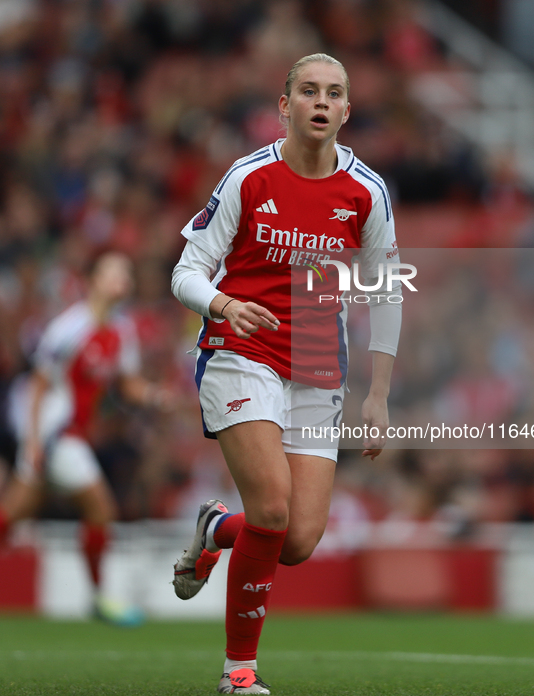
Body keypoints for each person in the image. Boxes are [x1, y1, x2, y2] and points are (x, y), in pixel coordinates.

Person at [171, 53, 402, 694]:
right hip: (241, 350)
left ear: (347, 111)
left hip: (318, 367)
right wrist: (222, 302)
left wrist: (379, 395)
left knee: (295, 539)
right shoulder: (249, 178)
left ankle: (217, 529)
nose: (320, 102)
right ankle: (238, 671)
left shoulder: (367, 193)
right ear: (285, 105)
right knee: (271, 507)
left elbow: (385, 294)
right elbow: (184, 271)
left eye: (333, 93)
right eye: (307, 91)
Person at [0, 251, 171, 625]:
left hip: (71, 435)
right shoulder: (70, 327)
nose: (121, 277)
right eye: (112, 271)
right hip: (55, 433)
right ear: (93, 279)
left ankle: (98, 598)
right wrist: (32, 440)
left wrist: (156, 395)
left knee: (13, 513)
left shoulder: (122, 331)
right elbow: (39, 386)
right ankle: (99, 599)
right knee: (101, 508)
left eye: (125, 271)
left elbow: (126, 386)